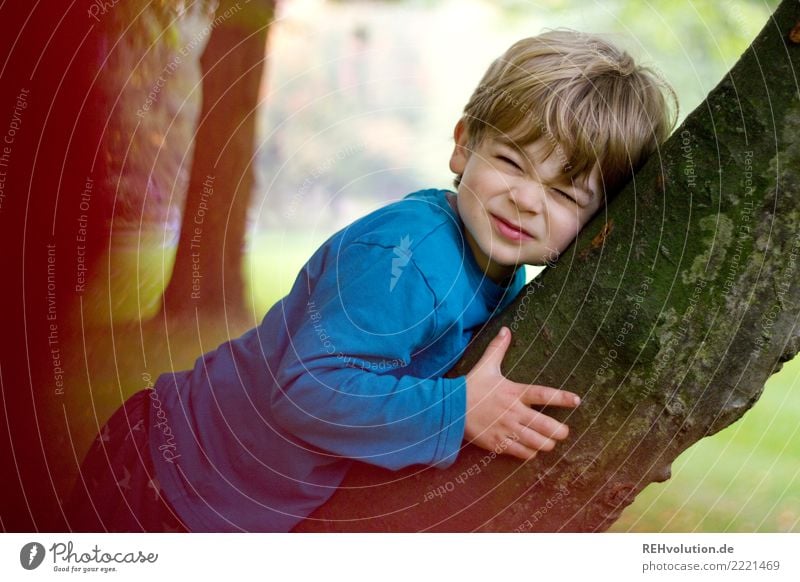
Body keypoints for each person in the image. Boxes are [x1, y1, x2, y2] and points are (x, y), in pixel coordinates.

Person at [67, 29, 676, 532]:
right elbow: (304, 388)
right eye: (512, 162)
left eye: (565, 194)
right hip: (162, 479)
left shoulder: (499, 270)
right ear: (464, 145)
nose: (524, 198)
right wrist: (456, 410)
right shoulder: (413, 255)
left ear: (598, 223)